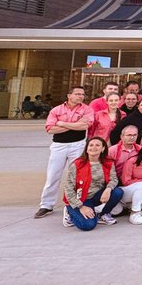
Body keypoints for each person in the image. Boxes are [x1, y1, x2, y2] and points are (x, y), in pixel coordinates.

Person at [35, 86, 94, 219]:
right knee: (53, 175)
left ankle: (76, 203)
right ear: (69, 95)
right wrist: (74, 125)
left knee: (77, 176)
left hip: (78, 145)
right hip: (59, 146)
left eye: (83, 94)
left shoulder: (87, 109)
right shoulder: (57, 110)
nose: (81, 97)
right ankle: (46, 204)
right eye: (77, 94)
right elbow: (50, 129)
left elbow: (85, 126)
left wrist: (62, 123)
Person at [62, 136, 124, 230]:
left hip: (96, 196)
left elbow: (114, 179)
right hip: (80, 199)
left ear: (103, 148)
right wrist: (81, 206)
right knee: (88, 225)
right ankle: (69, 211)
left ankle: (102, 215)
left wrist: (108, 189)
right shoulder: (77, 164)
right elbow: (68, 188)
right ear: (86, 148)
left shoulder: (108, 163)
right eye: (91, 145)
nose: (93, 147)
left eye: (97, 145)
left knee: (117, 192)